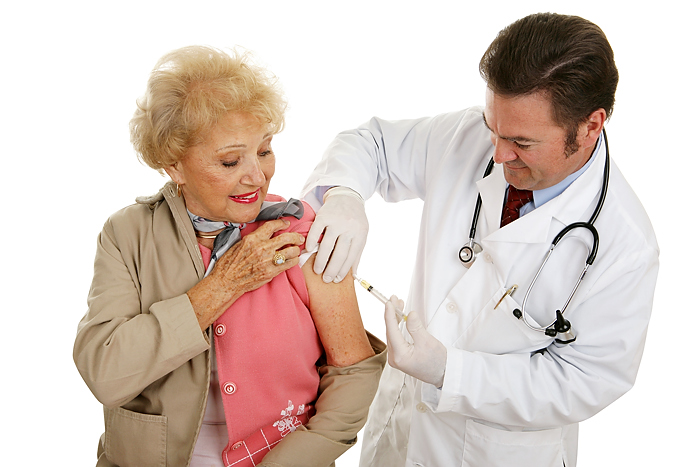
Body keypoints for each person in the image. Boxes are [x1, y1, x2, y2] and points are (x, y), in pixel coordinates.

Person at [301, 13, 658, 467]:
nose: (496, 154)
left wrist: (451, 372)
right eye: (494, 128)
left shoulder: (625, 244)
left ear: (591, 126)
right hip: (399, 435)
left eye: (522, 143)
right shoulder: (471, 137)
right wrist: (345, 194)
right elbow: (373, 143)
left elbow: (583, 381)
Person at [73, 46, 386, 467]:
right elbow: (107, 372)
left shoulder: (300, 231)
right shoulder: (128, 234)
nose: (257, 176)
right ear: (174, 165)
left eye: (264, 150)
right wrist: (225, 284)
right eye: (229, 160)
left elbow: (354, 373)